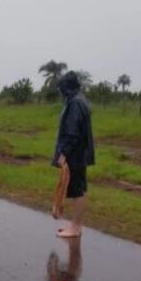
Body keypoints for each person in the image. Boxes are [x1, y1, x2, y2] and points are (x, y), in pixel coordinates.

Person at [52, 71, 95, 238]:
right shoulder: (81, 100)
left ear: (66, 88)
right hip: (80, 152)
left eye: (61, 89)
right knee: (80, 189)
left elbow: (72, 132)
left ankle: (75, 227)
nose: (61, 93)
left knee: (78, 190)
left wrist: (63, 153)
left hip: (75, 154)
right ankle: (76, 225)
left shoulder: (75, 103)